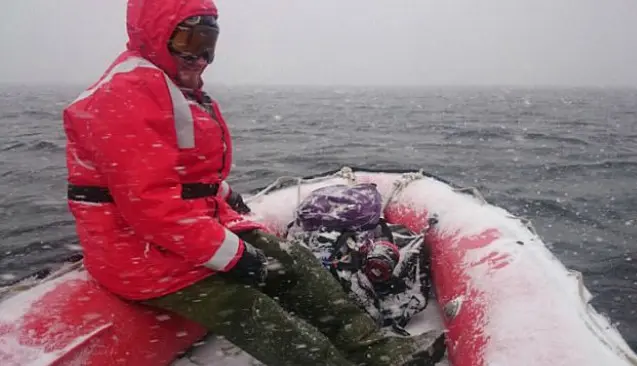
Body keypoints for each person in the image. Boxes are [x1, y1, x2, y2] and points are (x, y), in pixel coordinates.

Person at [61, 0, 442, 365]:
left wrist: (223, 194)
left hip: (185, 235)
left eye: (208, 45)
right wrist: (235, 256)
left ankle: (376, 351)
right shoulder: (125, 95)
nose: (200, 58)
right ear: (154, 34)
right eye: (188, 42)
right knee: (248, 307)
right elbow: (151, 208)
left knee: (295, 262)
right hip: (138, 254)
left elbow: (180, 174)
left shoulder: (169, 87)